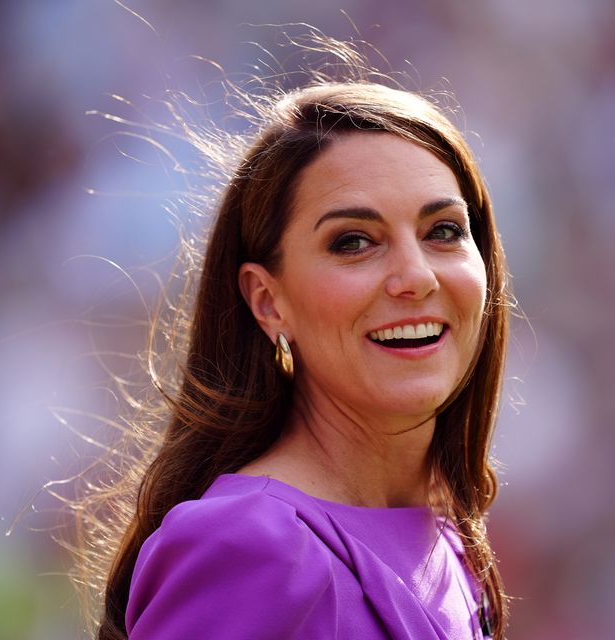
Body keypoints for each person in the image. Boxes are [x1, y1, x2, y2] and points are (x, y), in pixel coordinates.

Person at [85, 56, 512, 640]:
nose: (416, 277)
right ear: (267, 301)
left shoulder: (445, 533)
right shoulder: (248, 543)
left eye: (443, 231)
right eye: (354, 242)